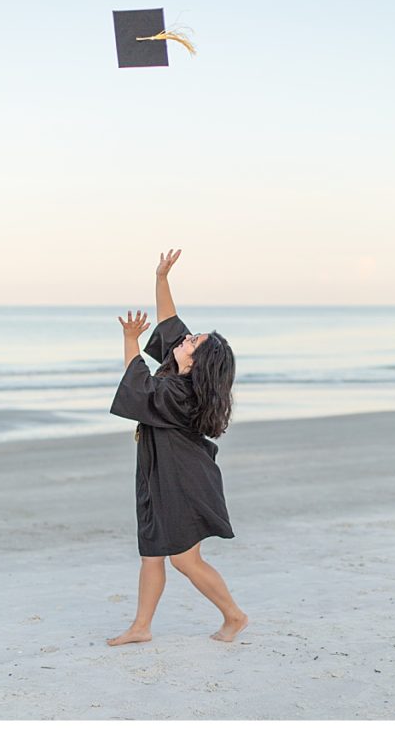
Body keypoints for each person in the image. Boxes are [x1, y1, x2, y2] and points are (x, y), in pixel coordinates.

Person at [107, 248, 248, 646]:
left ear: (196, 362)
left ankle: (234, 616)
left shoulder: (179, 390)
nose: (185, 338)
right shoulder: (177, 368)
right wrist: (161, 278)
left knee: (185, 559)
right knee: (152, 551)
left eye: (192, 341)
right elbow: (170, 322)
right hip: (158, 471)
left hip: (183, 479)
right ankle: (141, 627)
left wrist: (130, 340)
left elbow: (139, 389)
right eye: (190, 337)